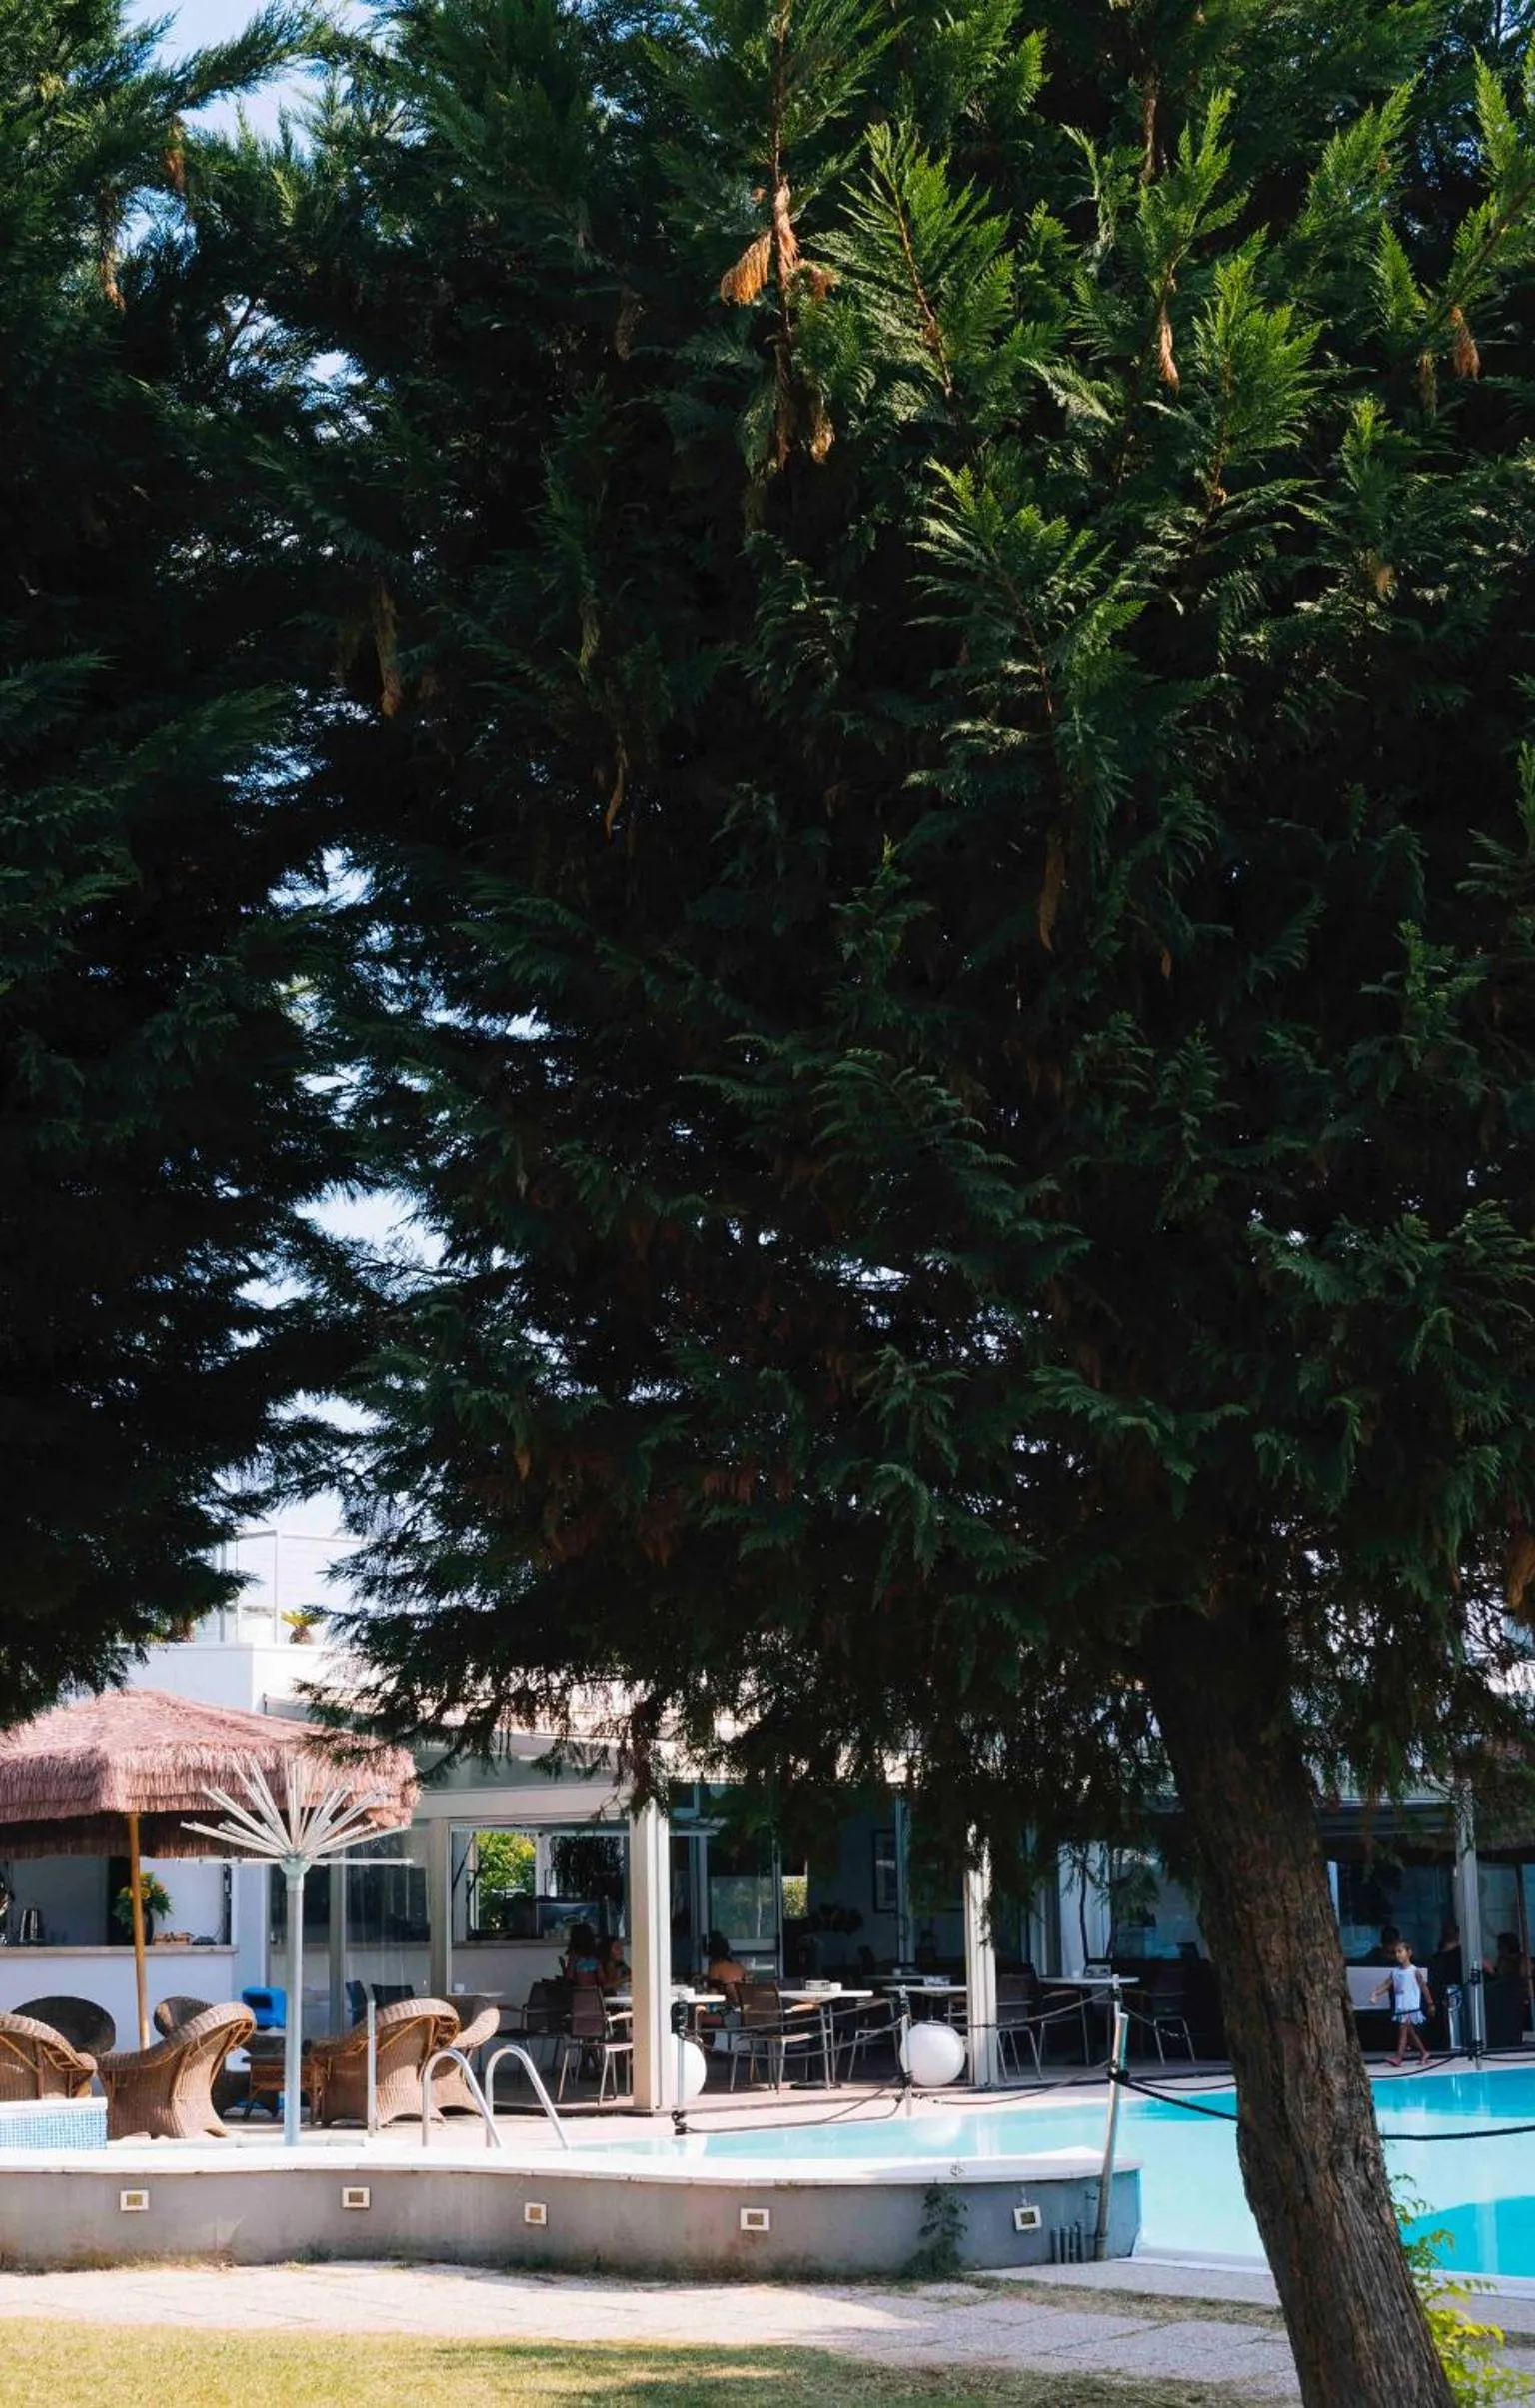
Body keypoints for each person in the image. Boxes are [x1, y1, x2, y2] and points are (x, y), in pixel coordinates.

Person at [1371, 1939, 1435, 2067]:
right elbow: (1387, 1984)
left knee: (1403, 2030)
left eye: (1400, 1952)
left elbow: (1424, 1988)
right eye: (1396, 1953)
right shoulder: (1395, 1972)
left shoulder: (1414, 1971)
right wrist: (1376, 1993)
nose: (1398, 1955)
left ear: (1409, 1953)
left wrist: (1430, 2004)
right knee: (1410, 2032)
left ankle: (1399, 2057)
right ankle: (1424, 2053)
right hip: (1401, 2007)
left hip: (1410, 2007)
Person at [705, 1931, 749, 2005]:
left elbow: (712, 1995)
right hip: (746, 2006)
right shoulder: (739, 1967)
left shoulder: (715, 1968)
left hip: (730, 2007)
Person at [561, 1920, 602, 1987]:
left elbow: (569, 1977)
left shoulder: (575, 1955)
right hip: (590, 1988)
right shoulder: (594, 1955)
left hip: (584, 1989)